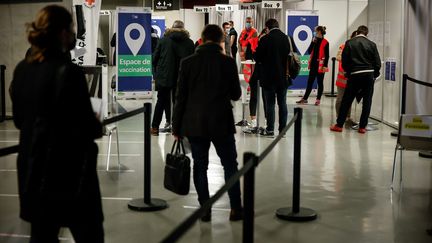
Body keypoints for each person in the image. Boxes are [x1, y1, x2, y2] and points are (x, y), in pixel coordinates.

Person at [9, 5, 104, 242]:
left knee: (42, 236)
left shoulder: (22, 70)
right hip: (70, 177)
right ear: (62, 33)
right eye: (71, 28)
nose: (74, 33)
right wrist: (94, 120)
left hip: (33, 172)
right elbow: (89, 129)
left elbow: (20, 120)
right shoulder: (68, 72)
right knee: (89, 235)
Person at [172, 24, 243, 222]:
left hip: (195, 123)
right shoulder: (228, 63)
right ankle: (236, 208)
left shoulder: (187, 63)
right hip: (222, 122)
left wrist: (176, 127)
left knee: (200, 166)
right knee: (230, 165)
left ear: (201, 40)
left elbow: (181, 98)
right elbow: (236, 95)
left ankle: (205, 209)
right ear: (222, 41)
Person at [330, 25, 381, 134]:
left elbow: (344, 61)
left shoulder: (349, 43)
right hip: (368, 75)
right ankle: (362, 127)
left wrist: (349, 73)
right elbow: (377, 63)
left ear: (357, 32)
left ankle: (339, 125)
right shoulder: (372, 45)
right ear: (367, 33)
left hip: (355, 74)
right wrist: (374, 75)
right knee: (367, 102)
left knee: (347, 101)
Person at [151, 20, 194, 135]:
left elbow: (154, 59)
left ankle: (155, 128)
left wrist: (156, 74)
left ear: (171, 28)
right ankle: (178, 127)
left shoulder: (163, 41)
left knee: (161, 101)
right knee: (179, 102)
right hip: (182, 78)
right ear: (183, 28)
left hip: (164, 77)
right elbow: (193, 62)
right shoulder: (189, 43)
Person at [254, 19, 291, 137]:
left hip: (268, 77)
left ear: (267, 27)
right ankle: (283, 131)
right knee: (282, 104)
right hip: (283, 77)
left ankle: (270, 130)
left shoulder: (265, 39)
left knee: (270, 104)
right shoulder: (287, 38)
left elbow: (257, 57)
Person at [296, 26, 329, 106]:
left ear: (320, 32)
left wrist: (325, 65)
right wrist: (312, 42)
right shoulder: (315, 41)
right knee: (310, 82)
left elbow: (327, 55)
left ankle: (318, 99)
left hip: (320, 66)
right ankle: (305, 99)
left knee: (320, 83)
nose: (314, 33)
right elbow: (309, 51)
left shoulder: (325, 42)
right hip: (313, 65)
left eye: (316, 31)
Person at [335, 31, 357, 124]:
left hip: (352, 78)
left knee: (349, 99)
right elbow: (338, 58)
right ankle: (339, 116)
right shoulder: (343, 46)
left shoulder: (357, 48)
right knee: (340, 99)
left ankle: (347, 117)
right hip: (342, 78)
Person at [239, 17, 258, 83]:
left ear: (252, 23)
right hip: (244, 52)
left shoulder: (254, 32)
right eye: (247, 22)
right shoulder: (243, 31)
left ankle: (251, 82)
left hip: (252, 52)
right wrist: (240, 52)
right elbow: (239, 42)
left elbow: (255, 43)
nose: (248, 23)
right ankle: (246, 82)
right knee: (245, 69)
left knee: (251, 69)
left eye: (249, 22)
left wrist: (247, 40)